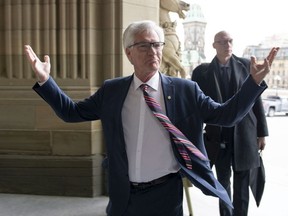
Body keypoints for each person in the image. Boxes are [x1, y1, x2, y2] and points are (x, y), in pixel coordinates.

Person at [24, 20, 279, 216]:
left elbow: (226, 115)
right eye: (144, 45)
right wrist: (45, 81)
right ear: (129, 53)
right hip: (123, 195)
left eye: (157, 45)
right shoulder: (113, 91)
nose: (153, 51)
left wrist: (253, 82)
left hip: (166, 195)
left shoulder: (184, 90)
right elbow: (71, 112)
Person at [192, 31, 271, 216]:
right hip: (218, 138)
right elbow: (195, 107)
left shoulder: (246, 65)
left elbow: (256, 100)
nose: (227, 45)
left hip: (245, 135)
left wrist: (262, 133)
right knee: (223, 184)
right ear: (214, 45)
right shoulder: (202, 72)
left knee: (242, 185)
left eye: (230, 41)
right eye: (222, 42)